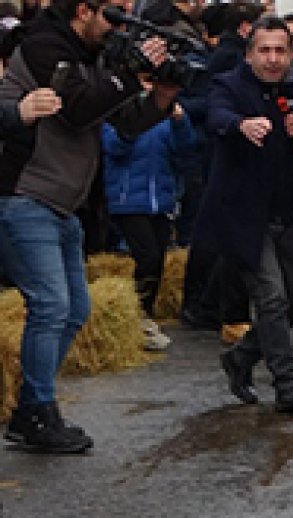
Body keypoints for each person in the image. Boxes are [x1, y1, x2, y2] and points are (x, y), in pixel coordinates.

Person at [0, 0, 180, 452]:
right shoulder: (43, 47)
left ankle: (29, 409)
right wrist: (128, 73)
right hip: (25, 195)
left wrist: (161, 95)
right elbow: (78, 108)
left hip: (64, 204)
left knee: (75, 310)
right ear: (84, 10)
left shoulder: (91, 56)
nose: (122, 24)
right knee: (50, 305)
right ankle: (38, 411)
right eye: (115, 13)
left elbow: (125, 123)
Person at [202, 16, 293, 414]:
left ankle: (241, 357)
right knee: (271, 299)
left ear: (292, 54)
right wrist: (240, 125)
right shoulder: (229, 85)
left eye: (280, 51)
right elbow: (214, 117)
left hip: (291, 213)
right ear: (249, 54)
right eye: (264, 51)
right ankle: (287, 384)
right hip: (245, 215)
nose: (272, 59)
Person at [103, 103, 195, 352]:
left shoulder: (164, 120)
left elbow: (185, 150)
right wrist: (134, 123)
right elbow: (114, 147)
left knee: (158, 259)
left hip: (161, 201)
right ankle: (139, 315)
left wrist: (180, 121)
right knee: (147, 257)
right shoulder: (116, 115)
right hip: (128, 201)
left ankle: (144, 313)